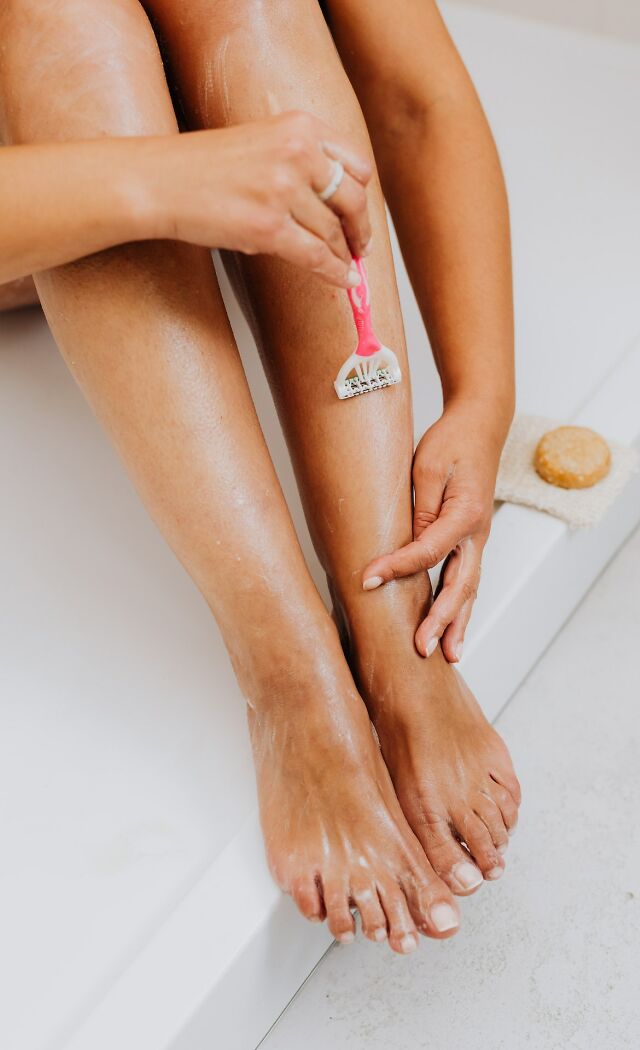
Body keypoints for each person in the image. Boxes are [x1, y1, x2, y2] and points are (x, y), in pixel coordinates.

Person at [0, 0, 521, 955]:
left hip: (187, 152)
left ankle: (389, 623)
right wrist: (161, 180)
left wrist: (484, 396)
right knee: (65, 22)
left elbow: (414, 94)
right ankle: (291, 678)